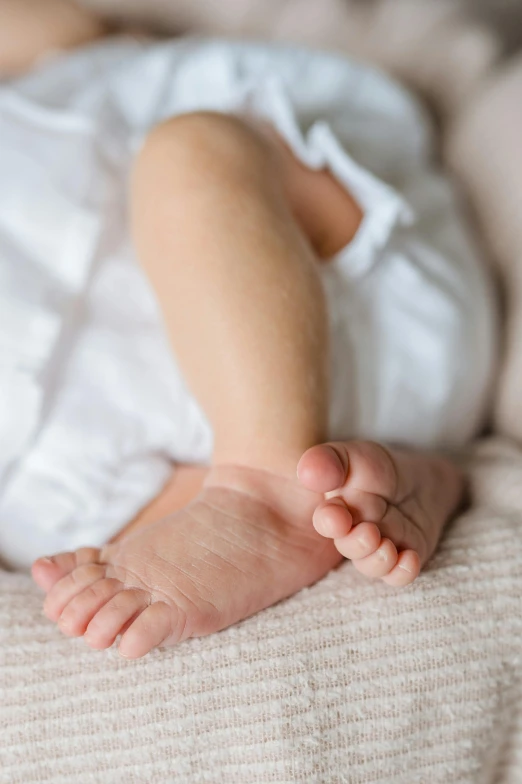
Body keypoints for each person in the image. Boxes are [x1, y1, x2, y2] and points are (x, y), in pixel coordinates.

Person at [0, 0, 496, 659]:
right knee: (76, 538)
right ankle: (367, 488)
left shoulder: (52, 83)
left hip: (331, 275)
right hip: (187, 473)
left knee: (194, 154)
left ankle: (266, 486)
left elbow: (64, 35)